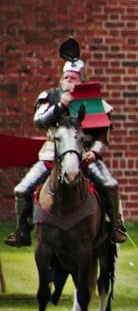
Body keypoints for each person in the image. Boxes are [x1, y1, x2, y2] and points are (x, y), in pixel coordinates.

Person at [4, 38, 127, 247]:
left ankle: (115, 226)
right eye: (66, 76)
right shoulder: (49, 97)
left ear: (81, 78)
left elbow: (102, 135)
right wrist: (60, 105)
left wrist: (94, 153)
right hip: (53, 153)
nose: (69, 80)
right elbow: (39, 121)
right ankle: (22, 230)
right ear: (61, 77)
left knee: (110, 184)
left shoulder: (94, 101)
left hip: (85, 153)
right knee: (21, 190)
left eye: (74, 77)